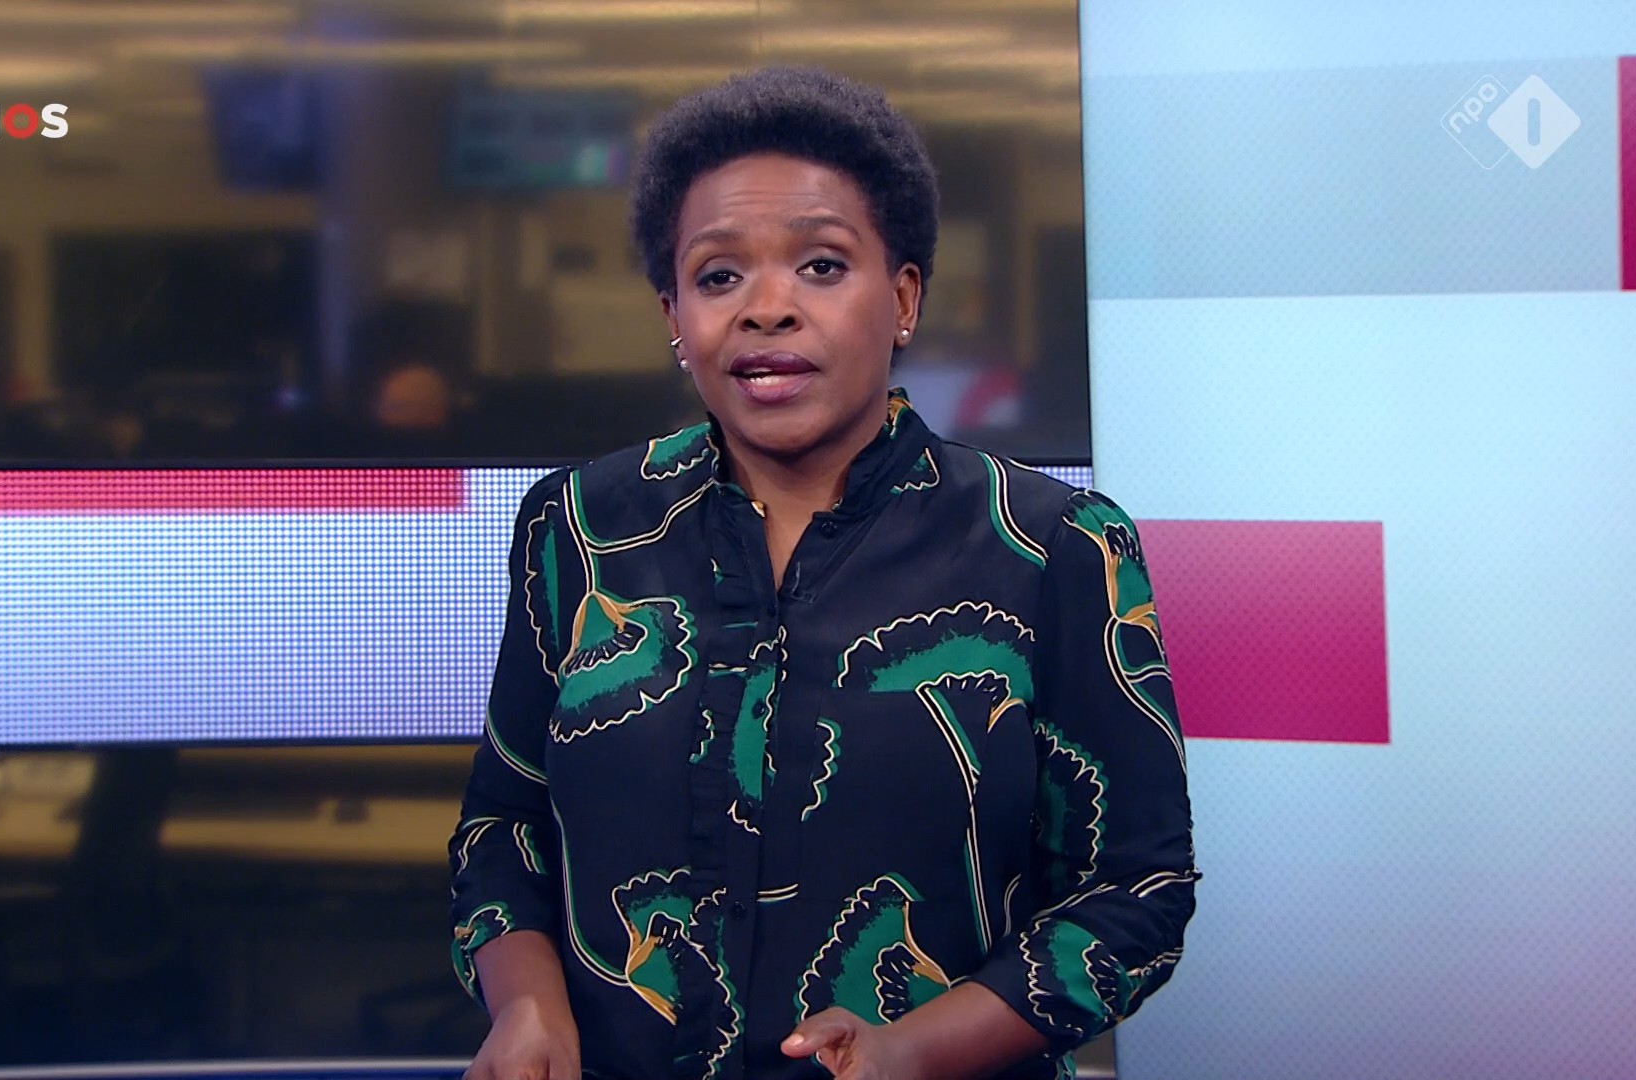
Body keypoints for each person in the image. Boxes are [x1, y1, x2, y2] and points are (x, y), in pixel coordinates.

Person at [448, 67, 1197, 1080]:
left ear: (904, 298)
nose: (767, 309)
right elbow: (504, 828)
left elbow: (1135, 894)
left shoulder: (1052, 545)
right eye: (719, 277)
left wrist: (915, 1053)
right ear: (674, 315)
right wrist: (525, 1007)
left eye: (821, 266)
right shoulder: (577, 526)